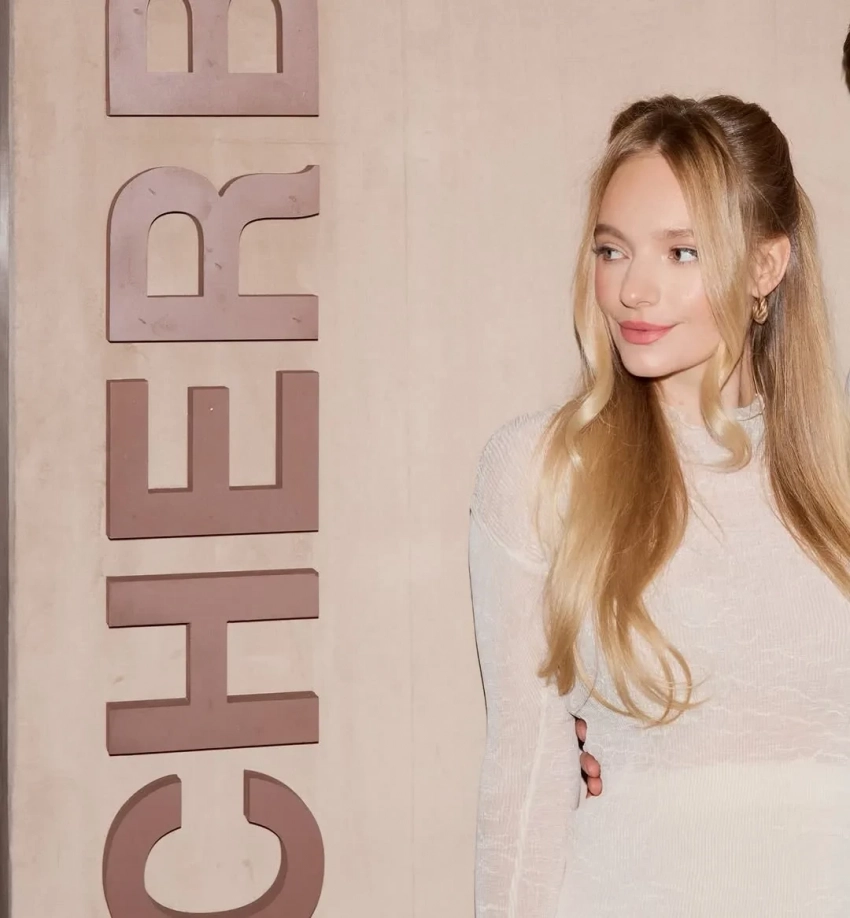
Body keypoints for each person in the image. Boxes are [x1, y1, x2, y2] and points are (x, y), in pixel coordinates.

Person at [468, 94, 850, 917]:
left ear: (766, 267)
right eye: (612, 250)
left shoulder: (840, 475)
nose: (633, 290)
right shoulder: (540, 472)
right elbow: (523, 787)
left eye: (682, 252)